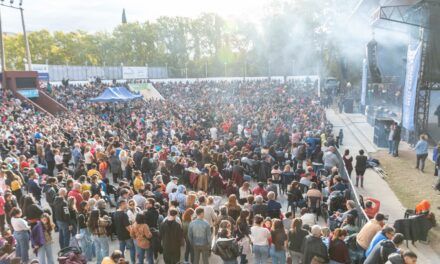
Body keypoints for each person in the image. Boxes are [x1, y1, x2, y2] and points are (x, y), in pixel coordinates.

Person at [113, 199, 135, 264]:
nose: (127, 205)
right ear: (122, 205)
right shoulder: (124, 214)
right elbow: (127, 226)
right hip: (126, 235)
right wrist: (132, 233)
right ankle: (133, 262)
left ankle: (122, 262)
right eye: (125, 204)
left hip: (119, 235)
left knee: (121, 250)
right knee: (132, 249)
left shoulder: (115, 213)